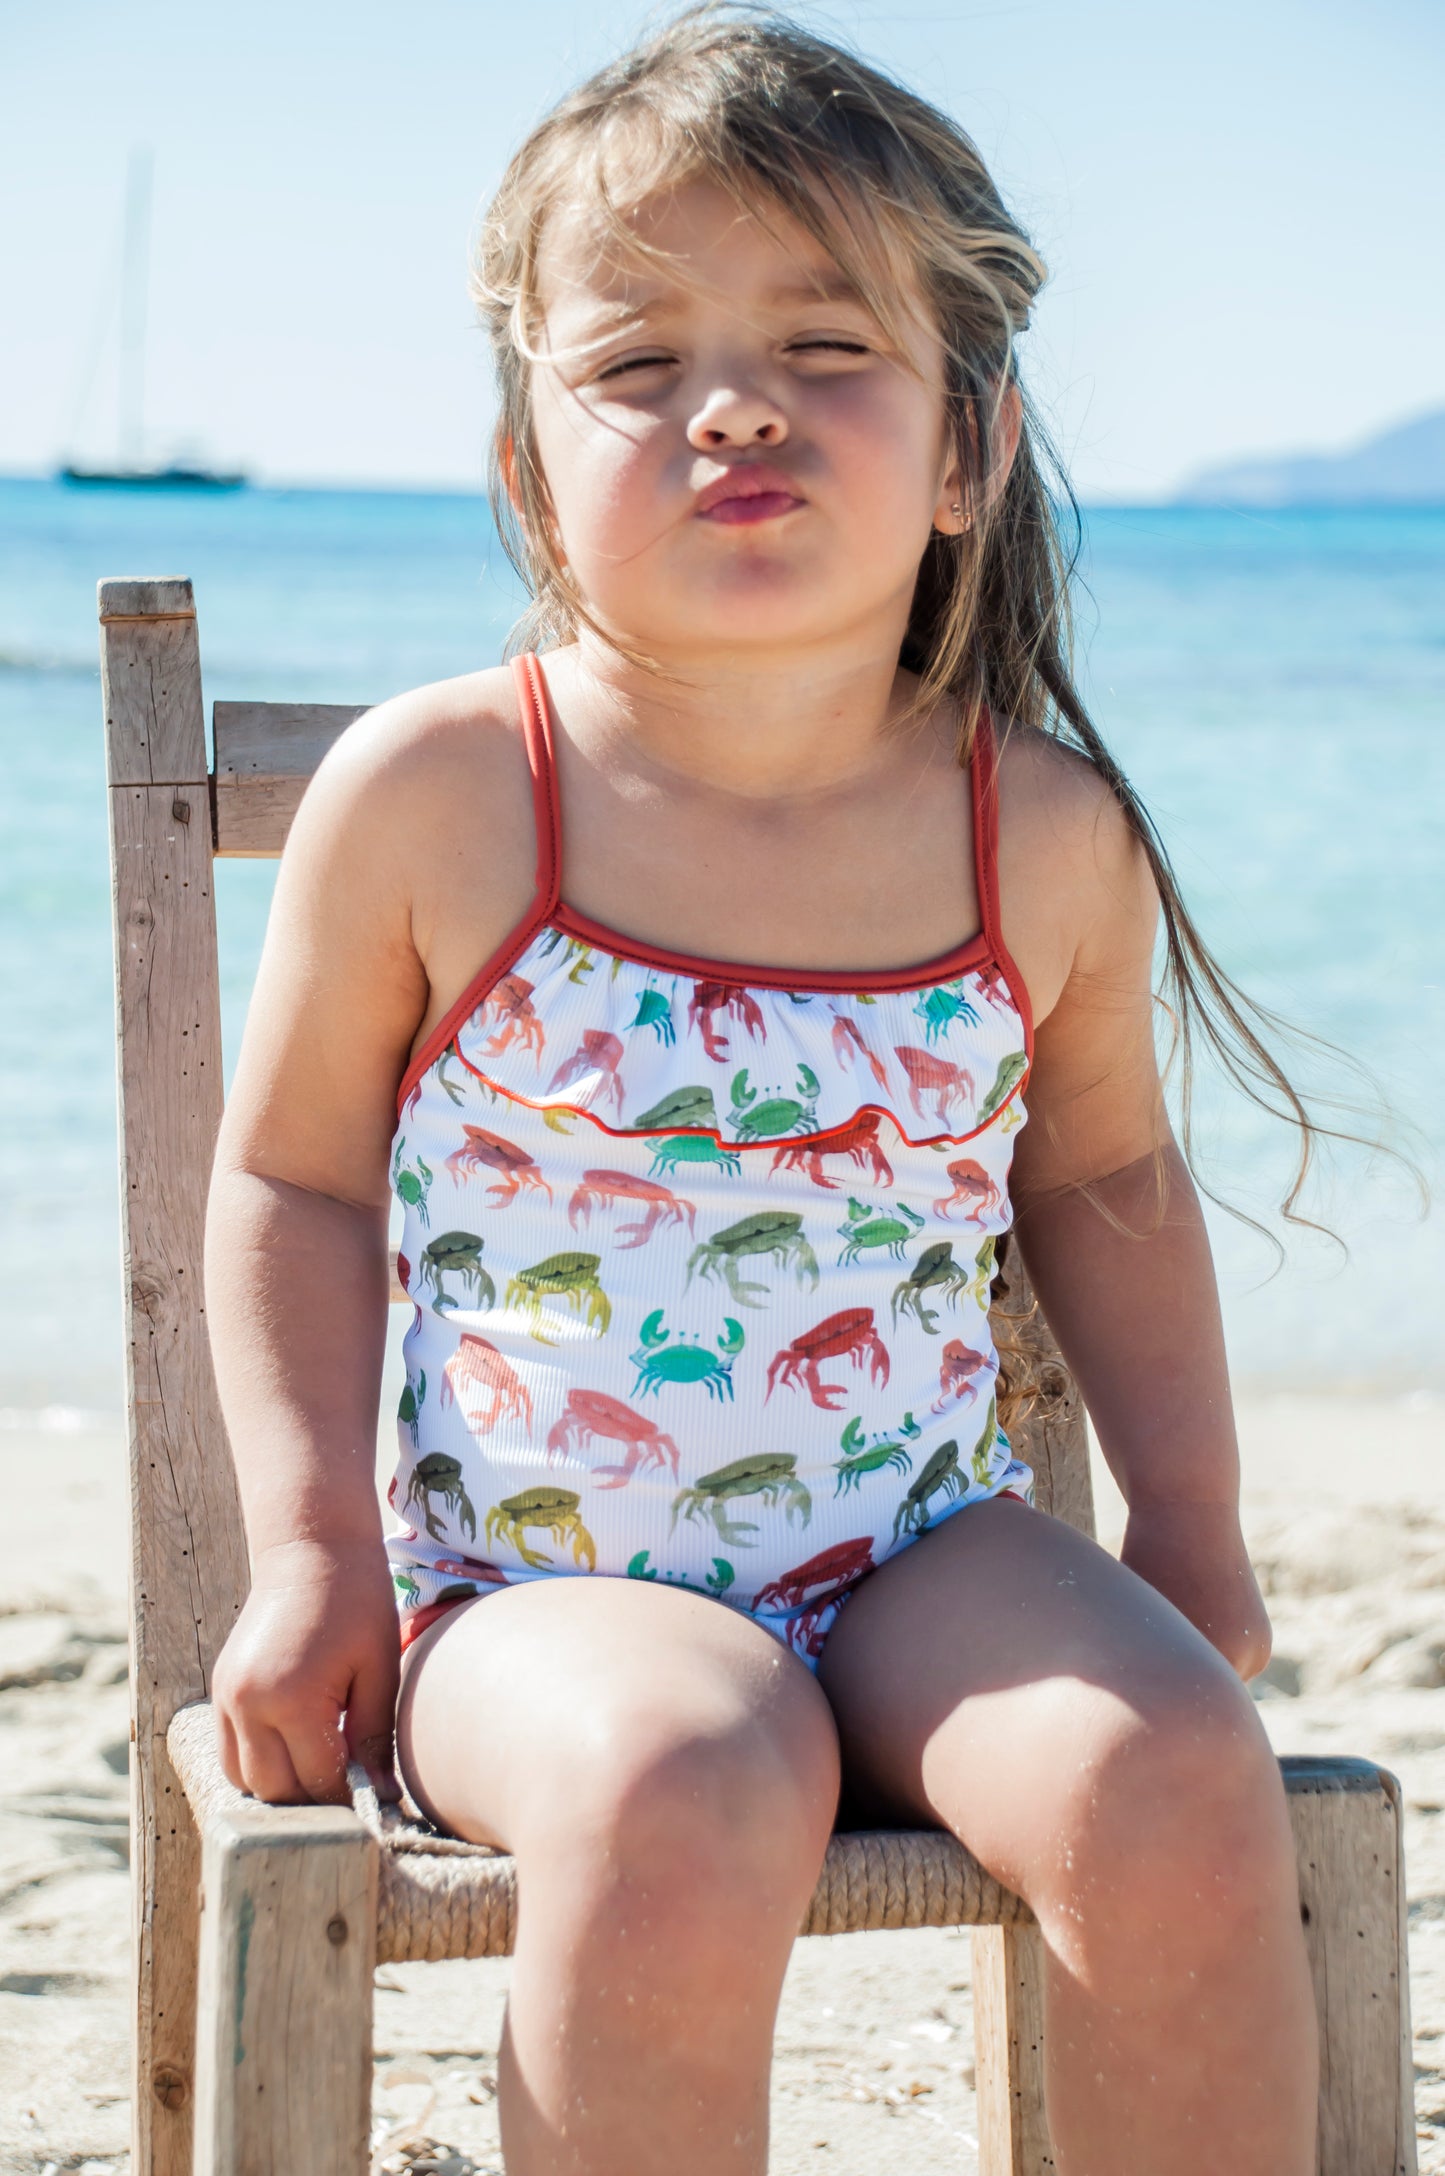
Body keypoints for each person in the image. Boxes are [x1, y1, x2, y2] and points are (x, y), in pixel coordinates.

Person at [205, 9, 1323, 2170]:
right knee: (684, 1771)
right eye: (639, 363)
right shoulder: (449, 793)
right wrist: (314, 1548)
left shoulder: (1038, 833)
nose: (733, 406)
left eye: (826, 347)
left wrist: (1186, 1524)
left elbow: (1105, 1181)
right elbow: (296, 1182)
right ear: (527, 470)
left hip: (921, 1549)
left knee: (1174, 1766)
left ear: (968, 450)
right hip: (528, 1590)